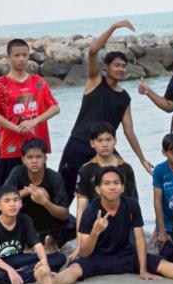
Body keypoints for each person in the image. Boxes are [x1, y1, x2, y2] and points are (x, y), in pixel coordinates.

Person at [34, 166, 173, 284]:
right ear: (98, 189)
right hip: (97, 257)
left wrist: (143, 269)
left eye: (116, 183)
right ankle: (52, 282)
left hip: (126, 255)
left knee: (160, 263)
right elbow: (84, 251)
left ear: (123, 187)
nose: (112, 187)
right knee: (75, 269)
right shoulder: (91, 211)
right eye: (107, 184)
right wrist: (95, 232)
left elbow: (139, 238)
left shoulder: (131, 205)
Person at [58, 20, 153, 202]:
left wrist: (142, 159)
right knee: (64, 194)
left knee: (123, 186)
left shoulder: (124, 97)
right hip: (79, 144)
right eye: (116, 65)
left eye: (123, 66)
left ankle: (130, 219)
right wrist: (114, 27)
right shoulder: (95, 81)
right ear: (106, 67)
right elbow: (93, 51)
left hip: (105, 148)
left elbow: (129, 131)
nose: (120, 69)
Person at [0, 38, 60, 222]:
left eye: (25, 55)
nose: (21, 59)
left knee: (36, 194)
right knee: (1, 193)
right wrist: (15, 127)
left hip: (35, 151)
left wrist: (34, 121)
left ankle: (38, 232)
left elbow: (55, 107)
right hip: (10, 149)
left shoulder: (38, 82)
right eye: (17, 55)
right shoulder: (0, 84)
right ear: (8, 57)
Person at [72, 122, 137, 260]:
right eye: (100, 140)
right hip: (97, 224)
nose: (105, 144)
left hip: (122, 224)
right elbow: (81, 208)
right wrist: (79, 244)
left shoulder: (125, 168)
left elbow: (133, 203)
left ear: (115, 141)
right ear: (92, 143)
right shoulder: (86, 170)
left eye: (108, 139)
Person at [0, 185, 66, 284]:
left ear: (20, 203)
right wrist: (10, 270)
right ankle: (33, 274)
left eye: (15, 200)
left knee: (60, 257)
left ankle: (35, 273)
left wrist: (45, 264)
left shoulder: (24, 220)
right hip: (0, 264)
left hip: (19, 259)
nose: (12, 204)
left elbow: (37, 245)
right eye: (7, 201)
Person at [3, 138, 75, 251]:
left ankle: (51, 240)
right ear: (23, 159)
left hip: (48, 217)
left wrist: (45, 202)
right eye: (30, 157)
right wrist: (29, 190)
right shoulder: (18, 172)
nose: (34, 161)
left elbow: (64, 214)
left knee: (73, 226)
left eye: (38, 157)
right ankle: (26, 245)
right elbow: (3, 198)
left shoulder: (54, 177)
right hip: (26, 215)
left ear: (45, 158)